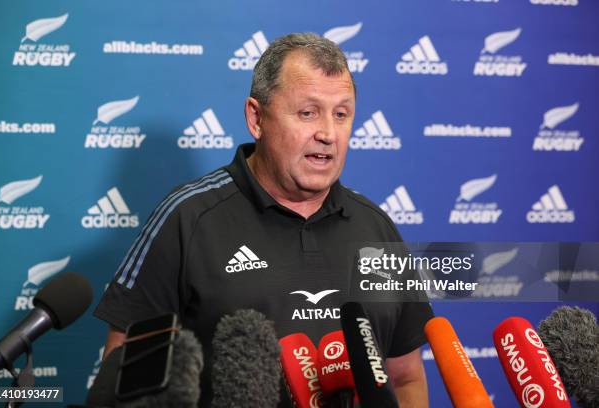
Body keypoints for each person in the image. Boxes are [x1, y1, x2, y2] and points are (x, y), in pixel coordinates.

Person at [94, 32, 433, 407]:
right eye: (308, 112)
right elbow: (124, 375)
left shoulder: (376, 228)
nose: (328, 134)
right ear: (256, 118)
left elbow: (406, 378)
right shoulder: (187, 218)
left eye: (341, 114)